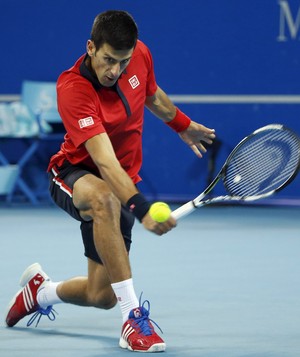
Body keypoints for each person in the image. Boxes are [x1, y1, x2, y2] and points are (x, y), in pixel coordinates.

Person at [5, 10, 215, 352]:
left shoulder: (140, 54)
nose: (114, 70)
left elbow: (152, 94)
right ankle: (133, 319)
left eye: (122, 61)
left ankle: (40, 292)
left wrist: (181, 123)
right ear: (90, 47)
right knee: (105, 198)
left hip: (121, 185)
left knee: (100, 294)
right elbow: (104, 160)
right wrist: (142, 209)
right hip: (76, 174)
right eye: (107, 60)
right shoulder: (73, 88)